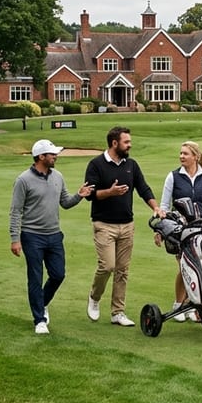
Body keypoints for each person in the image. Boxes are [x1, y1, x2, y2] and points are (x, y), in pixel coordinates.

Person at [9, 139, 94, 335]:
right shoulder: (23, 180)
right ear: (41, 157)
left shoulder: (58, 176)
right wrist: (15, 239)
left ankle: (42, 302)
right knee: (35, 278)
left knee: (58, 275)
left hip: (54, 235)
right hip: (32, 236)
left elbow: (65, 202)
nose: (56, 156)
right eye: (52, 154)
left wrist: (79, 195)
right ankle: (39, 319)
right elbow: (15, 211)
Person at [83, 126, 163, 327]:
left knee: (123, 270)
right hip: (104, 224)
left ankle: (117, 312)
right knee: (107, 266)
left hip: (127, 225)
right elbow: (90, 195)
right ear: (114, 143)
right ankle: (94, 297)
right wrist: (110, 192)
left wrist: (155, 207)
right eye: (126, 142)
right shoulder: (96, 165)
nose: (130, 145)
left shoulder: (131, 165)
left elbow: (143, 188)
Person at [159, 141, 202, 322]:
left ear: (195, 156)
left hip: (201, 228)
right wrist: (160, 230)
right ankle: (179, 305)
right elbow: (164, 206)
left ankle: (194, 305)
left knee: (201, 267)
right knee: (185, 266)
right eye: (180, 153)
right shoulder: (173, 177)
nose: (181, 156)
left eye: (185, 154)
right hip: (179, 229)